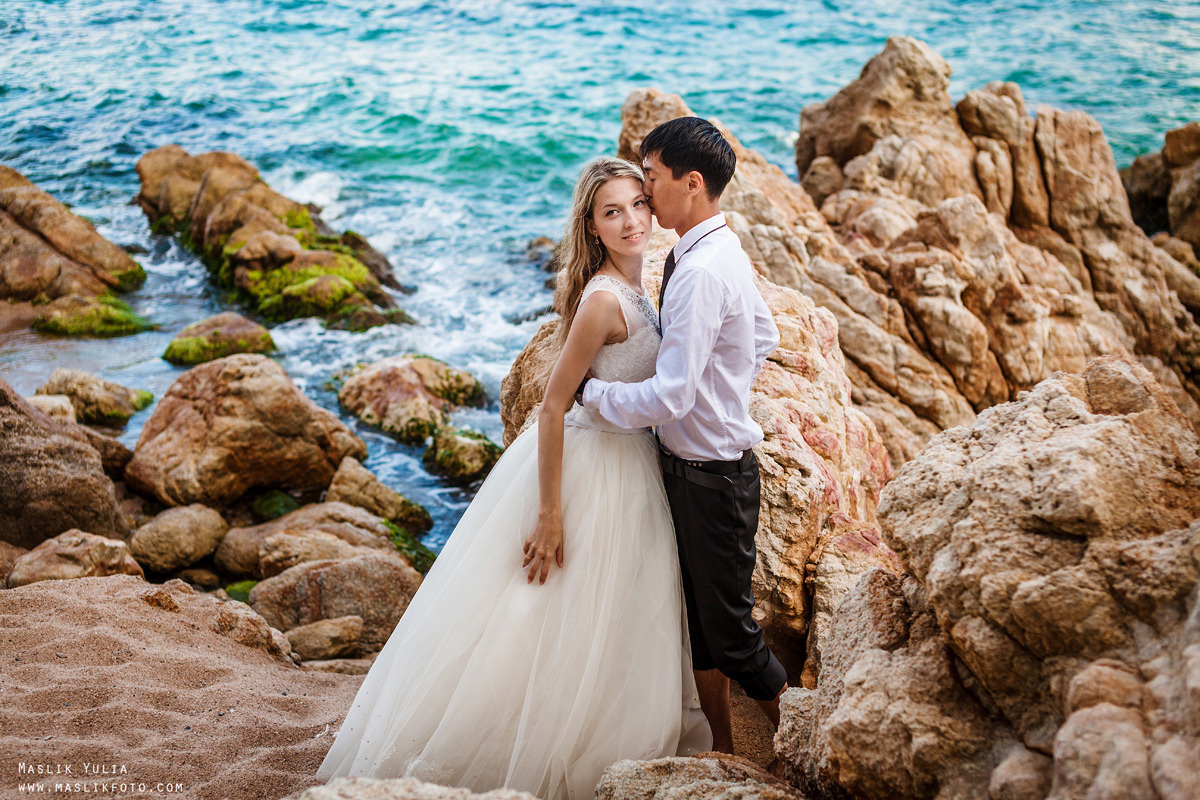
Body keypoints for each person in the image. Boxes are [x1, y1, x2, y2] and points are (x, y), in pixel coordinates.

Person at [315, 156, 711, 799]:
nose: (634, 219)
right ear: (592, 226)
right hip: (591, 470)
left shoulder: (643, 284)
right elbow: (554, 405)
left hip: (631, 464)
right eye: (614, 211)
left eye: (640, 203)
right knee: (545, 615)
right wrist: (550, 515)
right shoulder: (605, 300)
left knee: (613, 615)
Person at [577, 117, 789, 757]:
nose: (645, 195)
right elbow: (765, 336)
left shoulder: (698, 271)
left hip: (712, 476)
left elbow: (671, 395)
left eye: (652, 180)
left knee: (731, 636)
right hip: (694, 467)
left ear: (691, 184)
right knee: (700, 627)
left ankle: (802, 743)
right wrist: (726, 384)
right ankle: (723, 749)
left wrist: (595, 395)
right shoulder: (714, 248)